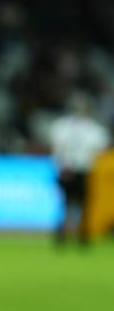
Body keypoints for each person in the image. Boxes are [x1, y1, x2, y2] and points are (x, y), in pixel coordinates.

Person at [49, 92, 110, 244]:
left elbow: (57, 148)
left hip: (76, 169)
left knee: (74, 204)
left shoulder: (62, 126)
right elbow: (99, 149)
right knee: (71, 204)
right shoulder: (93, 129)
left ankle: (76, 234)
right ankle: (72, 234)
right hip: (74, 169)